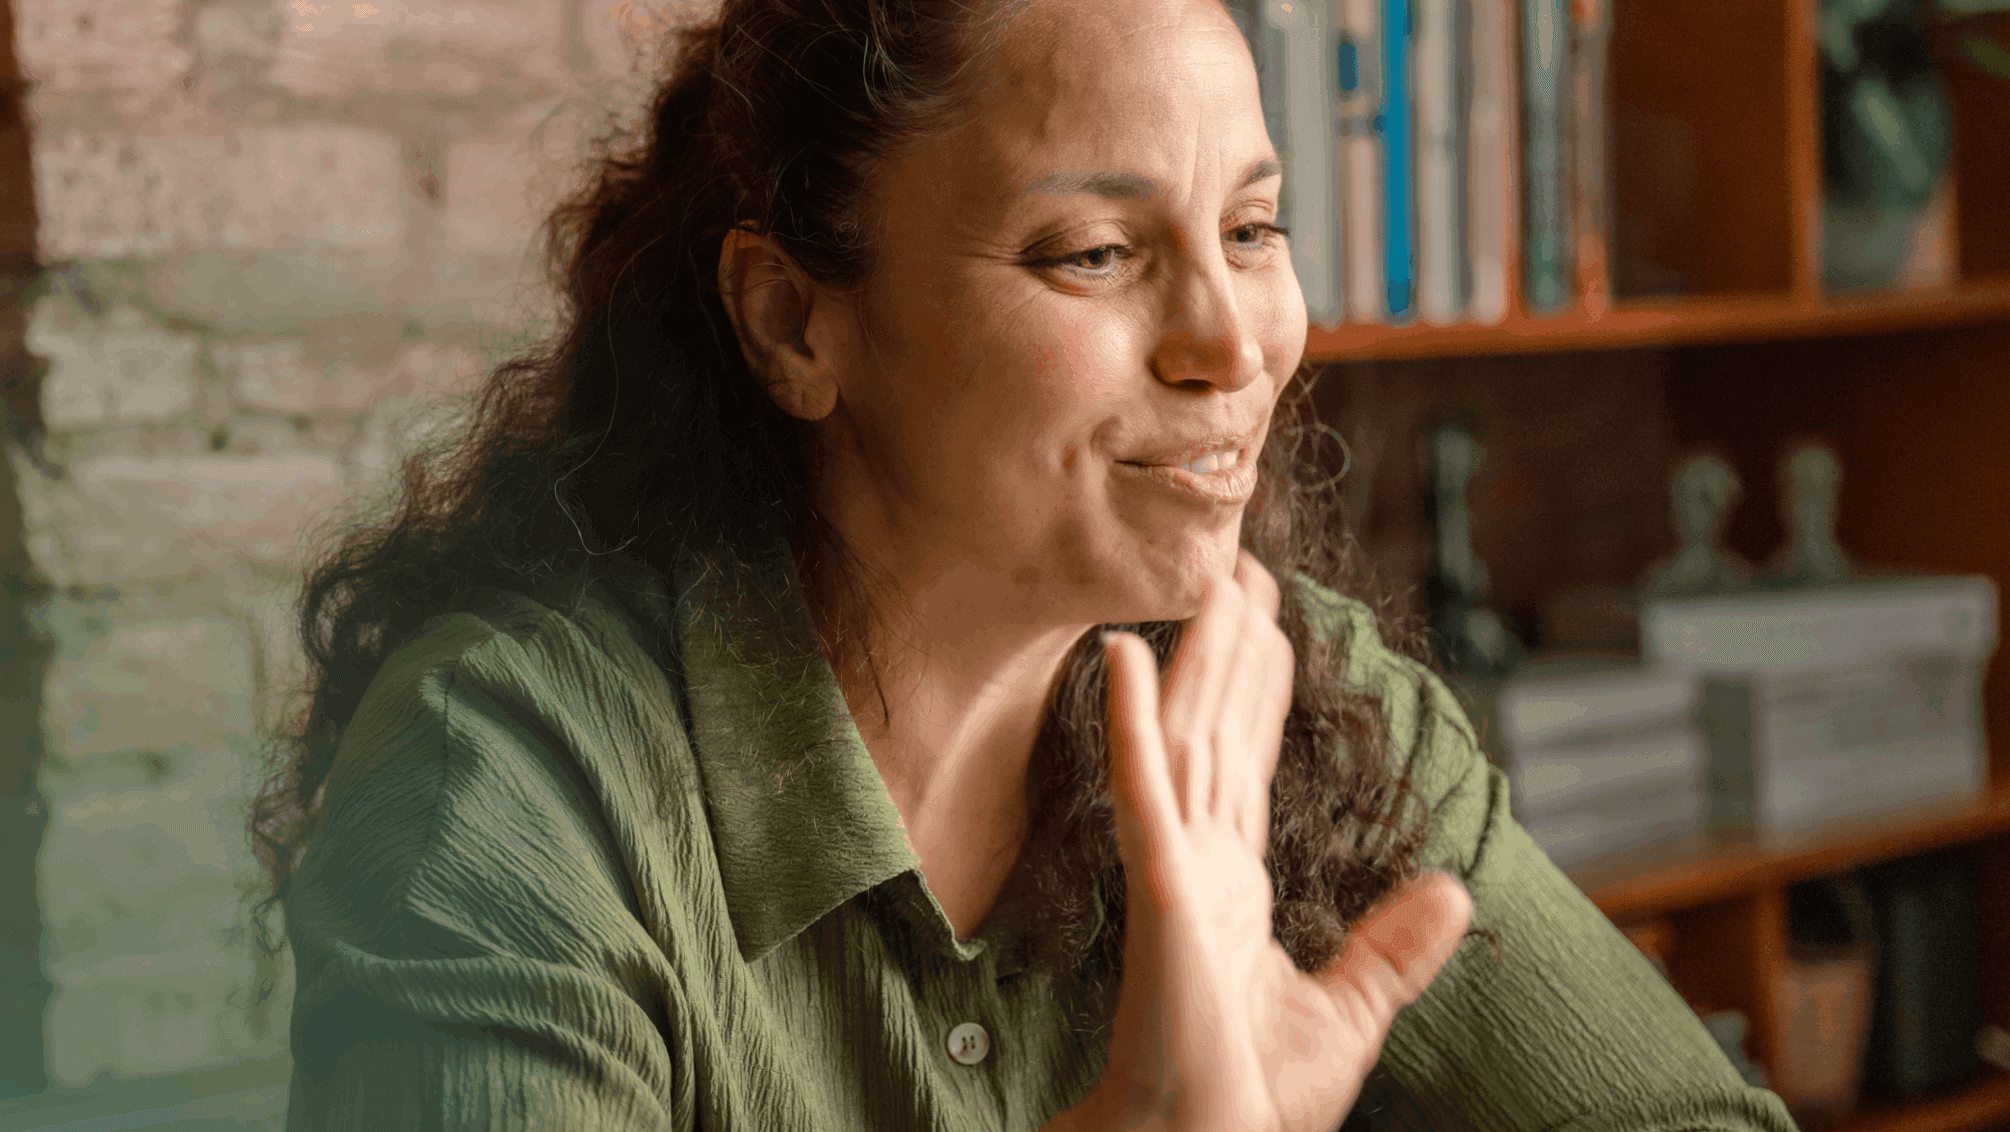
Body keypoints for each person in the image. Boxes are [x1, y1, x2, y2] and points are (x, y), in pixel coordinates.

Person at [248, 0, 1804, 1129]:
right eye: (1097, 254)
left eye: (1254, 229)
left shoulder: (1304, 704)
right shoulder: (504, 792)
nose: (1236, 344)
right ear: (796, 323)